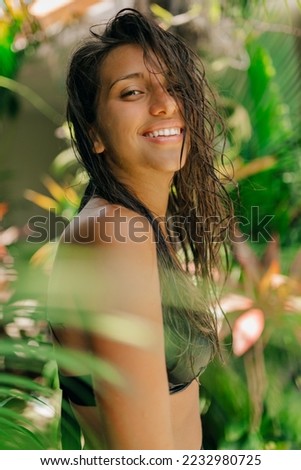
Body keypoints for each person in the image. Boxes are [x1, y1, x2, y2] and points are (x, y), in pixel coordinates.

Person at [47, 8, 233, 450]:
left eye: (173, 87)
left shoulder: (134, 225)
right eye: (131, 91)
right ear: (94, 134)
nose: (165, 103)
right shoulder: (115, 233)